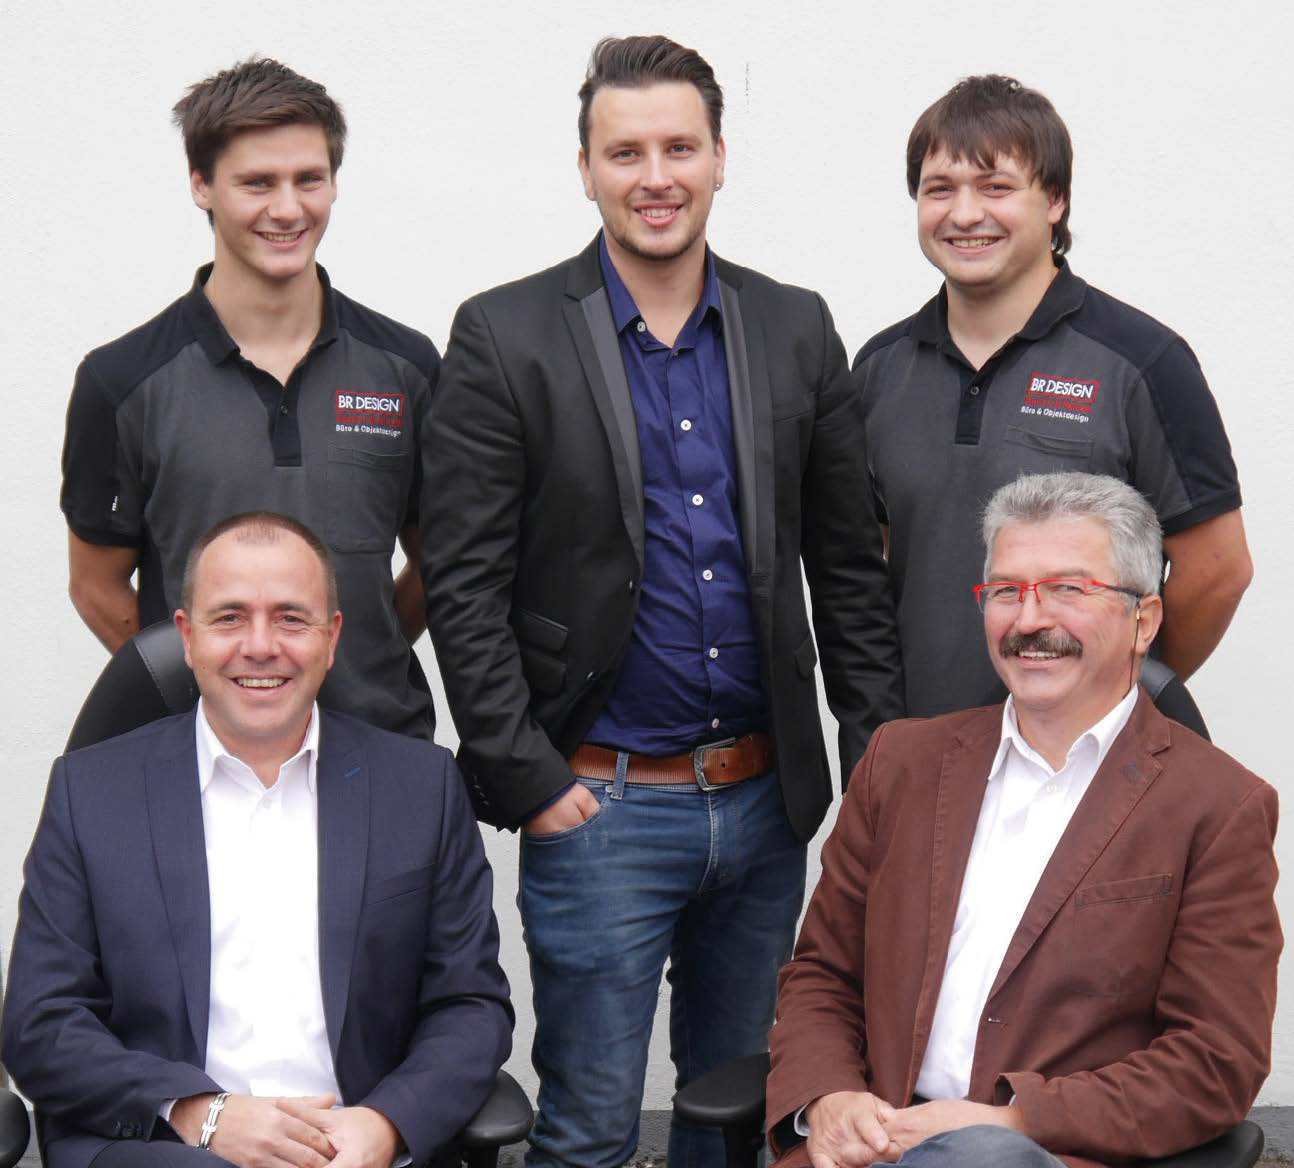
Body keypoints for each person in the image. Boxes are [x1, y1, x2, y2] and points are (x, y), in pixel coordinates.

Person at [422, 34, 902, 1168]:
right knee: (588, 1127)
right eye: (625, 152)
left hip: (763, 804)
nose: (655, 177)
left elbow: (846, 570)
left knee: (738, 1115)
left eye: (679, 148)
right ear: (585, 169)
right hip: (601, 805)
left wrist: (875, 765)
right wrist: (532, 781)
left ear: (720, 158)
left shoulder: (794, 326)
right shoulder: (505, 335)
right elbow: (464, 583)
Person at [766, 472, 1280, 1168]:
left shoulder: (1218, 806)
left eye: (1067, 589)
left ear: (1144, 621)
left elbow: (1214, 1061)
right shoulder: (902, 763)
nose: (1029, 620)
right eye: (1007, 591)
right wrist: (829, 1097)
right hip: (869, 1144)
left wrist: (1013, 1121)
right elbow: (823, 974)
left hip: (1047, 1152)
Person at [2, 513, 513, 1168]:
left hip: (354, 1150)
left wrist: (386, 1124)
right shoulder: (91, 793)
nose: (261, 645)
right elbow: (41, 1021)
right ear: (188, 637)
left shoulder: (421, 788)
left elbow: (471, 1007)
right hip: (163, 1148)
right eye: (230, 617)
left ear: (332, 638)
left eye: (291, 619)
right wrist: (202, 1114)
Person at [60, 58, 437, 738]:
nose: (287, 209)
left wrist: (338, 658)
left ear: (334, 182)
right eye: (258, 183)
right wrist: (203, 681)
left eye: (308, 180)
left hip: (379, 744)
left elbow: (442, 559)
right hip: (199, 758)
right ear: (201, 185)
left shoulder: (406, 368)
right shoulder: (122, 381)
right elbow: (95, 584)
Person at [854, 74, 1252, 719]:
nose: (964, 214)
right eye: (940, 189)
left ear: (1056, 200)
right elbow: (867, 572)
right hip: (924, 750)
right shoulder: (879, 370)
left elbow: (1218, 570)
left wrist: (1118, 697)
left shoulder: (1142, 362)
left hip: (1083, 756)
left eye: (996, 187)